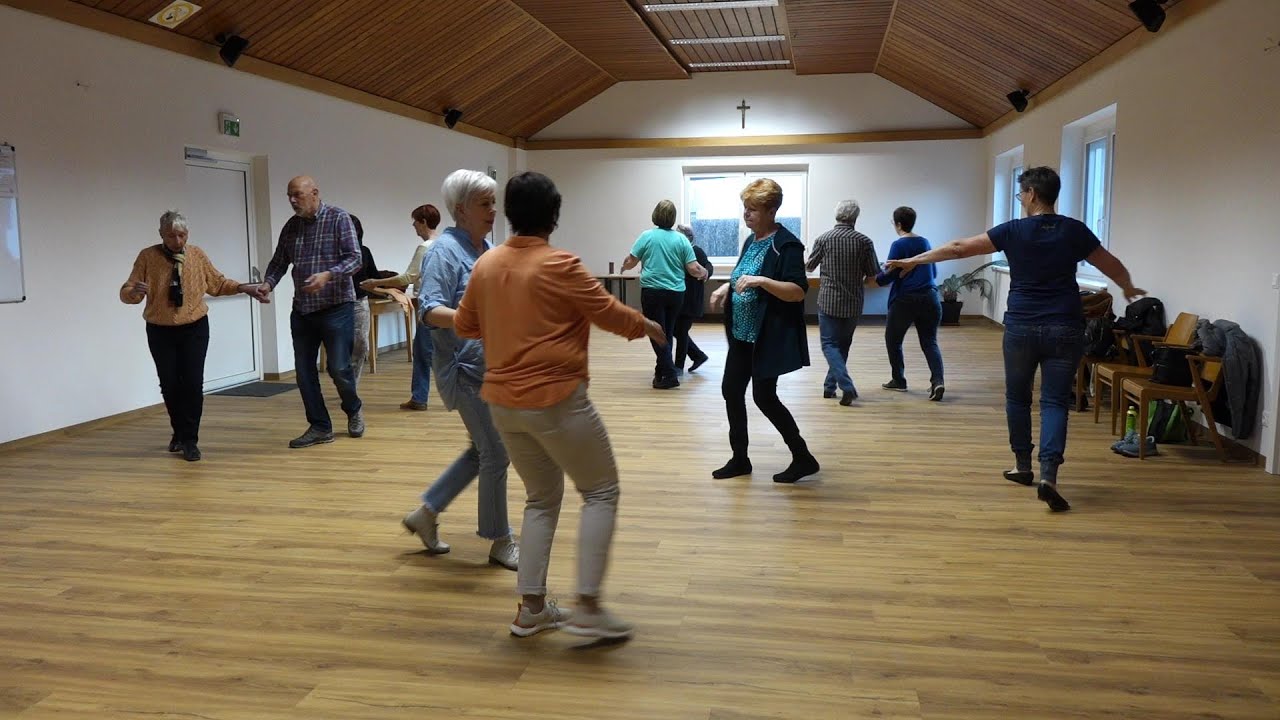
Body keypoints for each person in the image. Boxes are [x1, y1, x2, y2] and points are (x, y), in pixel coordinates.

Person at [455, 171, 665, 639]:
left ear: (509, 215)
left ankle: (532, 607)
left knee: (540, 499)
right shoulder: (560, 264)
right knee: (600, 491)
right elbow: (607, 311)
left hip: (503, 405)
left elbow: (466, 326)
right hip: (556, 402)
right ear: (554, 215)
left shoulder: (486, 265)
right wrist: (645, 326)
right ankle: (587, 606)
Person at [886, 166, 1144, 512]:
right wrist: (1127, 286)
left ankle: (1023, 466)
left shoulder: (1014, 231)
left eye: (1021, 194)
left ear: (1033, 194)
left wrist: (912, 261)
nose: (1020, 199)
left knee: (1019, 398)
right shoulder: (1074, 231)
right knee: (1054, 402)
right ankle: (1049, 475)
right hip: (1066, 327)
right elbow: (1111, 264)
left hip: (1022, 326)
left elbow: (960, 248)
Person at [401, 170, 518, 570]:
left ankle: (426, 515)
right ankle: (500, 540)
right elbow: (428, 310)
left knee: (480, 450)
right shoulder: (442, 252)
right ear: (461, 209)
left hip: (490, 365)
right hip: (464, 368)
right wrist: (475, 321)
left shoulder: (485, 248)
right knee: (497, 454)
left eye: (493, 202)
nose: (492, 210)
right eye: (484, 203)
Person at [120, 210, 268, 462]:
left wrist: (246, 288)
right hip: (160, 329)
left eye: (182, 235)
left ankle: (190, 440)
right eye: (171, 236)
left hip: (195, 327)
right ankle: (178, 432)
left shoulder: (196, 255)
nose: (177, 241)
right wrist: (135, 291)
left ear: (188, 234)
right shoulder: (148, 257)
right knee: (169, 383)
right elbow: (127, 293)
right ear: (161, 234)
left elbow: (218, 284)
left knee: (191, 383)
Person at [708, 179, 819, 484]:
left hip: (766, 337)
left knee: (764, 397)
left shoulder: (787, 245)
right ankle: (740, 459)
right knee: (731, 390)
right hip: (742, 336)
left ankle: (803, 457)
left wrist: (761, 281)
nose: (746, 214)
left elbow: (797, 291)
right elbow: (741, 276)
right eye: (745, 208)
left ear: (771, 210)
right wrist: (725, 286)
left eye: (753, 209)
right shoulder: (751, 241)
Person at [250, 176, 364, 449]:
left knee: (338, 368)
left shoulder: (338, 218)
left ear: (314, 193)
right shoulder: (291, 227)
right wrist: (268, 283)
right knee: (304, 373)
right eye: (289, 195)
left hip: (337, 307)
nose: (292, 200)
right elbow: (279, 261)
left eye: (297, 195)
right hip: (303, 311)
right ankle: (320, 426)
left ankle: (353, 408)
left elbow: (355, 258)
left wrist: (328, 275)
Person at [362, 204, 441, 410]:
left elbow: (409, 277)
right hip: (443, 304)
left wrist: (376, 284)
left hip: (430, 306)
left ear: (423, 222)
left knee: (423, 353)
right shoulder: (443, 245)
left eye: (415, 221)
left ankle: (420, 398)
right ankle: (424, 397)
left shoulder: (425, 248)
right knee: (435, 352)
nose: (413, 225)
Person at [620, 200, 707, 389]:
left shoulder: (647, 236)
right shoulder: (682, 239)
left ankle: (668, 374)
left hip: (653, 292)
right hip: (676, 294)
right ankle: (662, 370)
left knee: (656, 332)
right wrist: (704, 272)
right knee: (666, 331)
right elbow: (693, 268)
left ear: (655, 215)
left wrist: (624, 266)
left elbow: (631, 260)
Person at [805, 200, 880, 405]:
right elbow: (873, 276)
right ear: (856, 218)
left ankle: (845, 386)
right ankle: (830, 388)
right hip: (854, 301)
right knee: (843, 345)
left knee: (829, 344)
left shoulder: (824, 239)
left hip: (828, 300)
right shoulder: (865, 242)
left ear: (836, 215)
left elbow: (809, 267)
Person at [876, 206, 945, 400]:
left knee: (893, 340)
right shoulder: (925, 242)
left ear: (898, 224)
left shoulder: (898, 245)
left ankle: (899, 380)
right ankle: (938, 381)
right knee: (930, 342)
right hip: (930, 296)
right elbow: (934, 272)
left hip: (906, 299)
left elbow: (890, 275)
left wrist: (878, 277)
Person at [673, 224, 714, 376]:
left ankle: (678, 367)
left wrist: (705, 274)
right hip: (680, 298)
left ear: (687, 238)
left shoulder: (695, 250)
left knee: (681, 332)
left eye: (679, 235)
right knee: (678, 331)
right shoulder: (679, 251)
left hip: (690, 300)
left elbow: (709, 266)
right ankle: (698, 356)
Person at [348, 214, 381, 384]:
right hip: (337, 304)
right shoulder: (334, 253)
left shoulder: (364, 251)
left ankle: (352, 385)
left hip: (359, 303)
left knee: (361, 345)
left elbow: (373, 276)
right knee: (340, 347)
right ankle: (342, 378)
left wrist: (390, 286)